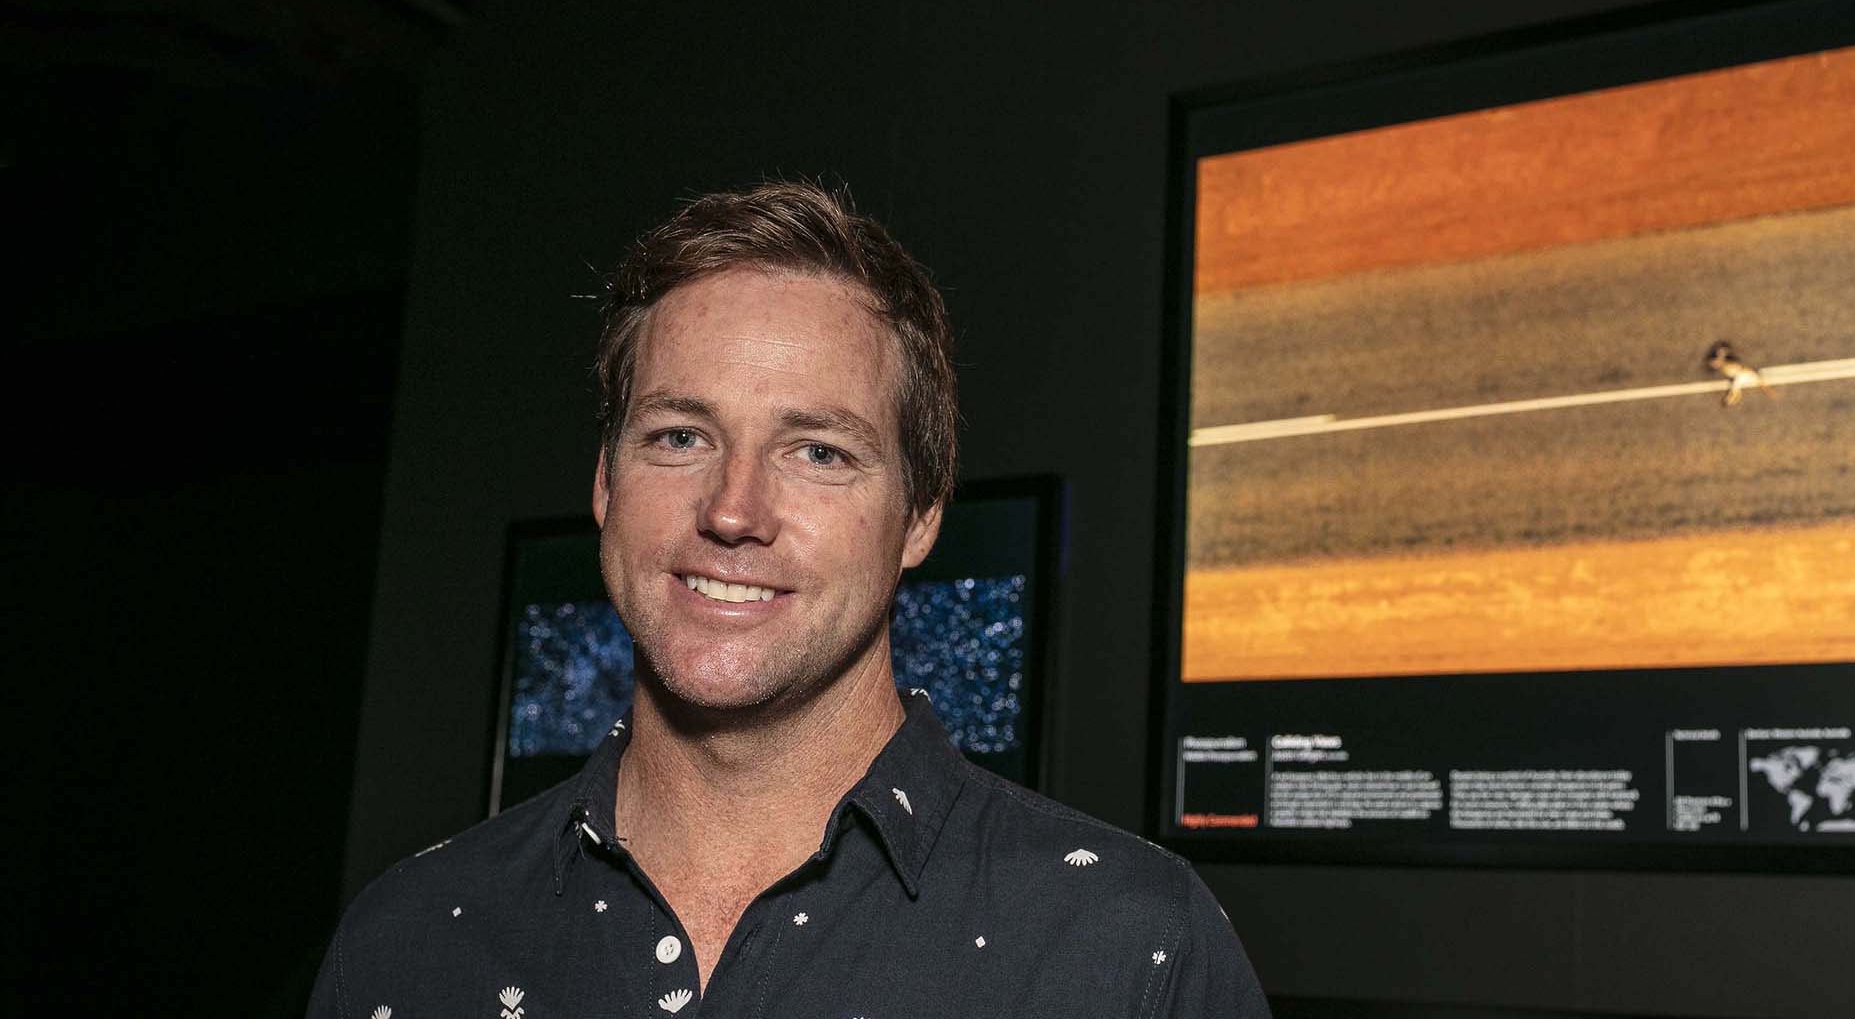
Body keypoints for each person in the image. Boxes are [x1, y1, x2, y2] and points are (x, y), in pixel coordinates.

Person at [309, 181, 1270, 1017]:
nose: (733, 511)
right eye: (680, 436)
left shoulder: (1131, 950)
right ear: (606, 483)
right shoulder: (412, 940)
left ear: (921, 516)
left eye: (819, 453)